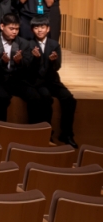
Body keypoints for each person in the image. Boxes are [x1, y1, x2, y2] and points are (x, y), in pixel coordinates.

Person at [27, 15, 77, 147]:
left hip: (53, 80)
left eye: (42, 27)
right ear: (32, 30)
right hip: (38, 82)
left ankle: (67, 134)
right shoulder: (29, 44)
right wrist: (36, 60)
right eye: (36, 27)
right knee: (46, 98)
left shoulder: (54, 44)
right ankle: (47, 134)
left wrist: (53, 61)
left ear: (48, 29)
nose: (39, 30)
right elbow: (29, 69)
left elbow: (58, 66)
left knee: (69, 99)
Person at [0, 13, 34, 134]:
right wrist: (2, 63)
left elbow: (28, 68)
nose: (14, 32)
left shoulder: (23, 43)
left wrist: (20, 62)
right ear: (1, 26)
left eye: (17, 29)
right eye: (11, 29)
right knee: (2, 98)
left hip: (17, 80)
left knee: (35, 97)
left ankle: (35, 133)